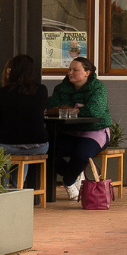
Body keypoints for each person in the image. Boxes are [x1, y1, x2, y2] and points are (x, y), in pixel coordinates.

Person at [0, 54, 50, 190]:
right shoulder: (42, 90)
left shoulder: (2, 92)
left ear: (12, 71)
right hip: (38, 144)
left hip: (7, 144)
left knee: (2, 150)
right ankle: (17, 189)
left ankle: (4, 188)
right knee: (22, 153)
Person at [47, 56, 111, 199]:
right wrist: (78, 108)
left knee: (82, 154)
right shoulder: (61, 89)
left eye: (75, 70)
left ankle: (68, 181)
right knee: (48, 153)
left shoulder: (98, 88)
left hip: (94, 131)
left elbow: (95, 111)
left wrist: (72, 108)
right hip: (67, 131)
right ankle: (75, 174)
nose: (70, 72)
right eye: (69, 69)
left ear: (87, 72)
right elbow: (51, 106)